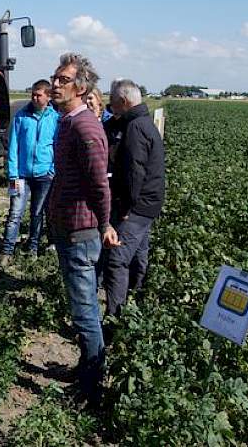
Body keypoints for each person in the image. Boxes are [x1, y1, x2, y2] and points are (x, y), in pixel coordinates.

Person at [47, 52, 119, 407]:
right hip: (68, 229)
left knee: (85, 311)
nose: (55, 84)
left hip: (81, 232)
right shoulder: (67, 121)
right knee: (81, 307)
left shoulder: (86, 127)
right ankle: (85, 372)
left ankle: (91, 389)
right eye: (55, 78)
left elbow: (99, 185)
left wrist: (104, 223)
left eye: (63, 80)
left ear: (81, 87)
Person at [101, 79, 166, 319]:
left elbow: (134, 172)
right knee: (139, 254)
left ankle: (115, 317)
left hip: (137, 206)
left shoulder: (135, 128)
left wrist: (126, 206)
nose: (111, 106)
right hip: (149, 203)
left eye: (114, 102)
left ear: (124, 101)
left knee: (117, 260)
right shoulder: (144, 122)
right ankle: (137, 300)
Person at [0, 79, 58, 265]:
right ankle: (6, 251)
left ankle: (33, 248)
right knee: (15, 212)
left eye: (38, 95)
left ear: (48, 97)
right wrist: (13, 174)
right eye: (32, 93)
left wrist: (52, 169)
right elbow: (14, 146)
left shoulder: (55, 119)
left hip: (44, 175)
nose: (33, 97)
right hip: (21, 175)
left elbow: (57, 146)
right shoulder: (21, 117)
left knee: (37, 213)